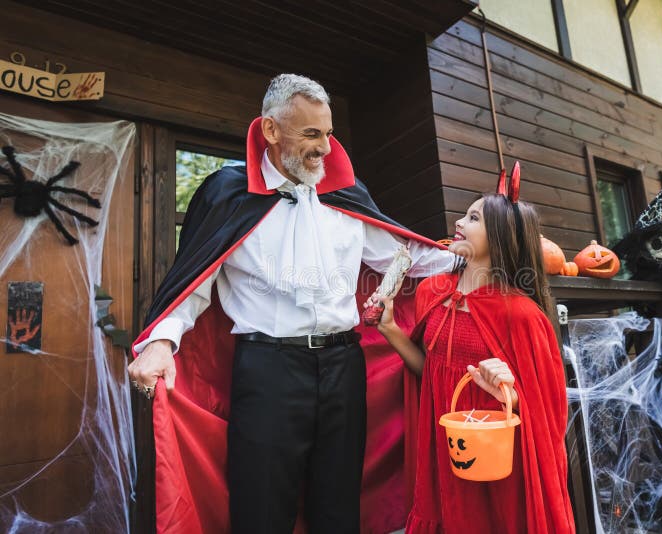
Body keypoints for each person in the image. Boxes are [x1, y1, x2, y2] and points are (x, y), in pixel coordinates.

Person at [128, 74, 455, 534]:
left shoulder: (345, 192)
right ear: (270, 131)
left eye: (328, 133)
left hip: (344, 366)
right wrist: (162, 341)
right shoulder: (227, 194)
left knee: (339, 505)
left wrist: (478, 255)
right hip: (268, 372)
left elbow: (408, 256)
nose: (325, 147)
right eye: (311, 134)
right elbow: (194, 284)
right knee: (261, 507)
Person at [366, 168, 576, 533]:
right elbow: (429, 373)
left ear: (500, 237)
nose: (459, 222)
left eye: (474, 217)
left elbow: (547, 417)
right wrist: (390, 329)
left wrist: (508, 394)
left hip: (496, 466)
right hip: (444, 454)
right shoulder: (433, 293)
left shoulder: (522, 315)